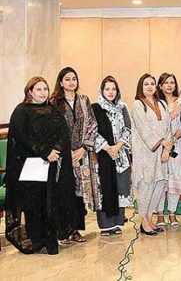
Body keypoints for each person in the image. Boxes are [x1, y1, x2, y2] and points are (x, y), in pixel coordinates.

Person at [5, 77, 81, 255]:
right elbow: (23, 137)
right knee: (34, 204)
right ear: (30, 91)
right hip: (31, 166)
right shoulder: (21, 112)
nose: (43, 92)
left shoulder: (52, 110)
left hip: (52, 165)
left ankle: (51, 238)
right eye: (38, 89)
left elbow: (63, 134)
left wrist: (57, 150)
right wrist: (45, 151)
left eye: (45, 89)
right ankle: (37, 240)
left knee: (50, 202)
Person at [50, 67, 99, 244]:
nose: (71, 82)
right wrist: (66, 151)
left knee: (79, 195)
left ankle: (76, 230)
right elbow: (51, 130)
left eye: (74, 79)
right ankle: (63, 231)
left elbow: (93, 125)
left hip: (82, 155)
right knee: (64, 193)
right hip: (62, 158)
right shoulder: (54, 103)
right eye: (68, 79)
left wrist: (83, 149)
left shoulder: (84, 101)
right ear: (61, 82)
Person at [130, 73, 173, 236]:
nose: (149, 86)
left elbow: (168, 127)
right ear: (141, 87)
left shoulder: (161, 103)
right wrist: (162, 142)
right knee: (146, 185)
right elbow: (143, 129)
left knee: (159, 185)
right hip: (146, 152)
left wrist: (167, 148)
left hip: (162, 152)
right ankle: (143, 220)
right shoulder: (137, 104)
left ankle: (149, 217)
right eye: (146, 84)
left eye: (152, 84)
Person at [91, 76, 133, 236]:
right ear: (102, 91)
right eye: (107, 89)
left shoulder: (122, 107)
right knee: (105, 188)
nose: (111, 92)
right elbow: (92, 131)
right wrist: (108, 148)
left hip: (121, 154)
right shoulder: (95, 108)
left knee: (120, 187)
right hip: (103, 155)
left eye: (113, 89)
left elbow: (128, 128)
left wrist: (118, 146)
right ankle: (106, 225)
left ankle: (117, 222)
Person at [155, 73, 181, 228]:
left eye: (172, 83)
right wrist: (164, 142)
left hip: (178, 144)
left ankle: (173, 213)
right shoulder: (154, 103)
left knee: (175, 179)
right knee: (161, 180)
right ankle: (160, 214)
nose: (169, 85)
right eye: (165, 83)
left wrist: (173, 141)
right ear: (160, 86)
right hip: (158, 146)